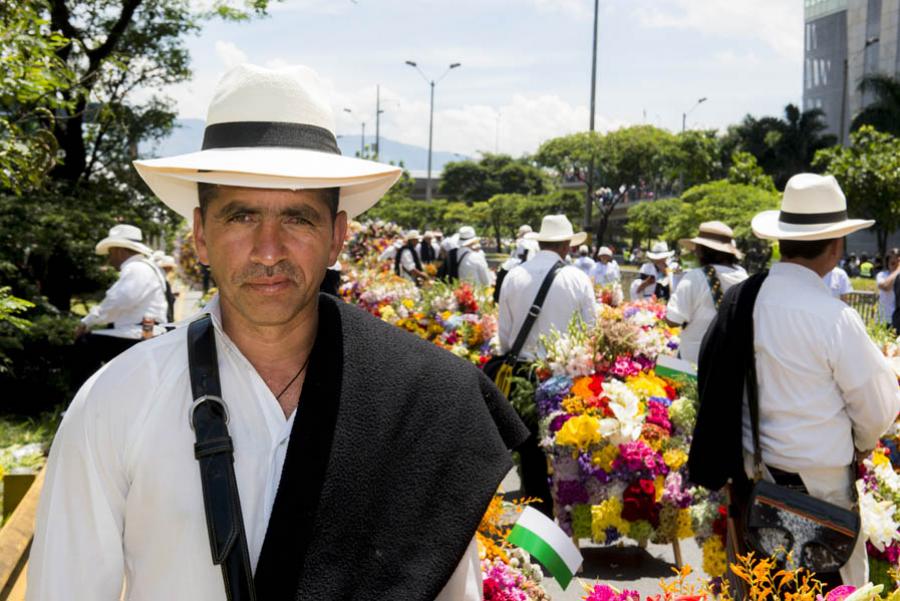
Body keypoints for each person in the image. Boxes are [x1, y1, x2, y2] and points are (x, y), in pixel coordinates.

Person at [29, 63, 527, 600]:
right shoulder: (116, 402)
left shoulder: (422, 401)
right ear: (200, 235)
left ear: (337, 237)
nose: (269, 250)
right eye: (241, 217)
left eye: (298, 218)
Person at [689, 173, 900, 588]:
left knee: (759, 589)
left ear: (781, 239)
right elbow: (879, 413)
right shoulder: (834, 317)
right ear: (836, 245)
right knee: (825, 592)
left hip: (754, 489)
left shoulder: (743, 299)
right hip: (821, 500)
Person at [498, 214, 597, 515]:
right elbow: (593, 332)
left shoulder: (514, 275)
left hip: (524, 373)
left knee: (530, 452)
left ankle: (538, 516)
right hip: (567, 373)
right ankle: (568, 516)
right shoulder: (577, 278)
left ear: (540, 241)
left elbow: (504, 337)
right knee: (566, 447)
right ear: (567, 245)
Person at [73, 224, 168, 382]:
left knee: (85, 343)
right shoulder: (145, 267)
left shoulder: (136, 268)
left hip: (143, 333)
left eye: (110, 253)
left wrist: (86, 322)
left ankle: (84, 398)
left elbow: (118, 301)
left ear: (119, 250)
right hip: (147, 329)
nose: (109, 260)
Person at [665, 221, 748, 365]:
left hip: (694, 361)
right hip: (731, 362)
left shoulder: (695, 277)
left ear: (704, 250)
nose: (695, 251)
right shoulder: (744, 278)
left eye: (698, 248)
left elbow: (673, 321)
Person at [876, 249, 900, 325]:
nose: (895, 265)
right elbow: (886, 287)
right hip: (885, 319)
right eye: (893, 263)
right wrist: (898, 270)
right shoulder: (882, 275)